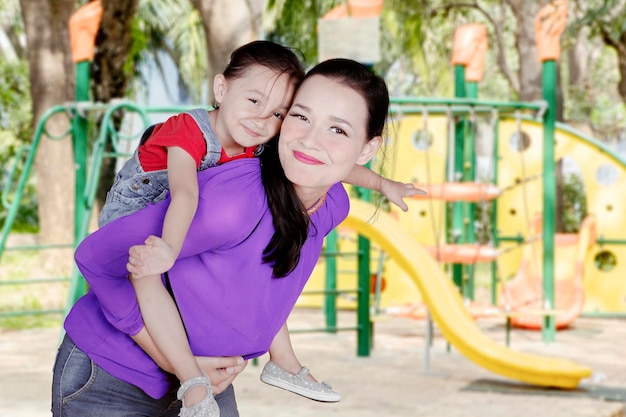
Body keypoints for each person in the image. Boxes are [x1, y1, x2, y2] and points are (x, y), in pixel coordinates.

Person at [52, 57, 399, 417]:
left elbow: (259, 285)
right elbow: (95, 259)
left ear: (367, 149)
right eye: (302, 117)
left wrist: (384, 184)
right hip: (112, 378)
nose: (311, 139)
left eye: (337, 129)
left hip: (207, 386)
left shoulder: (331, 205)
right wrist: (180, 366)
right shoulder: (229, 201)